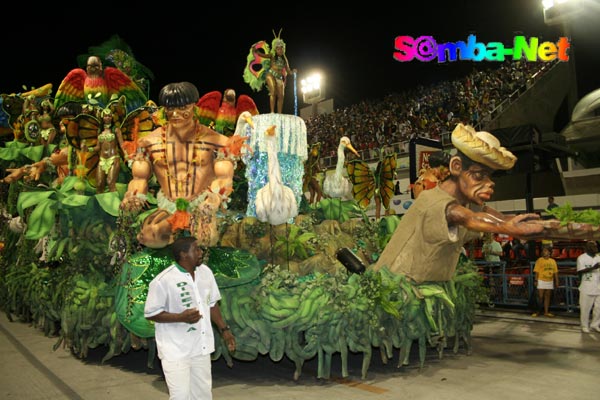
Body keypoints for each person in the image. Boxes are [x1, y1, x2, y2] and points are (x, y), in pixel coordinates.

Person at [371, 123, 599, 283]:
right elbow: (472, 218)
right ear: (457, 167)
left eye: (490, 177)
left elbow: (504, 220)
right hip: (395, 289)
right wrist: (504, 227)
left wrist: (572, 228)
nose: (489, 184)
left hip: (421, 289)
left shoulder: (468, 205)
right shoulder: (435, 202)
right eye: (479, 175)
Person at [120, 82, 243, 249]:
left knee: (206, 237)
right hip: (167, 205)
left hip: (201, 204)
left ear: (194, 106)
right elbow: (139, 179)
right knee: (151, 233)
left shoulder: (216, 141)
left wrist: (213, 199)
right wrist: (133, 196)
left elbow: (224, 178)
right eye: (170, 108)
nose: (176, 113)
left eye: (183, 107)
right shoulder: (148, 142)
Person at [144, 236, 235, 399]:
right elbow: (151, 313)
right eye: (196, 249)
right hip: (176, 351)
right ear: (183, 254)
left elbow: (212, 304)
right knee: (181, 396)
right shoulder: (163, 281)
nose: (201, 252)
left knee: (203, 395)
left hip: (201, 347)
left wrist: (224, 329)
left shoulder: (206, 273)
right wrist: (180, 317)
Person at [245, 32, 296, 114]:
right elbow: (261, 54)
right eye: (278, 48)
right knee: (273, 91)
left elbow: (288, 71)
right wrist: (255, 50)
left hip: (279, 77)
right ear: (275, 49)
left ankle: (279, 113)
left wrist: (293, 72)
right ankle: (272, 111)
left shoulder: (284, 59)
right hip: (270, 75)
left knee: (281, 96)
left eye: (281, 48)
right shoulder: (272, 55)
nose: (280, 50)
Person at [93, 108, 126, 193]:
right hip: (102, 160)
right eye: (105, 116)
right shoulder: (100, 131)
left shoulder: (116, 130)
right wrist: (88, 149)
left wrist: (126, 155)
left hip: (113, 158)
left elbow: (122, 144)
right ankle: (100, 204)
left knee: (110, 182)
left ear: (112, 117)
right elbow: (97, 147)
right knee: (99, 183)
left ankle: (114, 205)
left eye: (109, 116)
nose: (107, 118)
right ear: (102, 117)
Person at [576, 241, 600, 333]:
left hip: (598, 286)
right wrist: (593, 268)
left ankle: (595, 325)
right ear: (588, 248)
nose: (596, 247)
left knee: (598, 308)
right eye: (593, 246)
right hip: (587, 287)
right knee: (585, 308)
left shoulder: (598, 257)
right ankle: (584, 325)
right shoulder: (582, 258)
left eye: (596, 246)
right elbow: (579, 271)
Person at [531, 246, 559, 318]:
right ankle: (538, 311)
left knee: (547, 296)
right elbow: (536, 271)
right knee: (540, 297)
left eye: (546, 251)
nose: (544, 252)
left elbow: (555, 272)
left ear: (549, 252)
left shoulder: (553, 261)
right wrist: (536, 280)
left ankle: (546, 312)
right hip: (541, 280)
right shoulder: (539, 260)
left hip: (550, 280)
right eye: (543, 251)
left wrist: (556, 281)